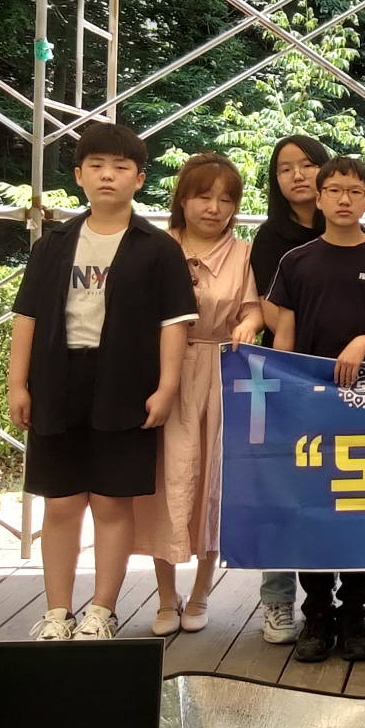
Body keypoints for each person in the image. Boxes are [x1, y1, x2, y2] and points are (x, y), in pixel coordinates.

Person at [9, 123, 197, 641]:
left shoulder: (158, 248)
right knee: (61, 502)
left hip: (125, 383)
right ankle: (57, 613)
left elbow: (174, 325)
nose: (107, 176)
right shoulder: (53, 244)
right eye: (96, 166)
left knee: (113, 502)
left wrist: (166, 387)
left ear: (139, 179)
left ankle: (102, 610)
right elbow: (26, 317)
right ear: (78, 175)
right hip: (56, 380)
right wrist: (18, 383)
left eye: (120, 167)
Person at [269, 156, 365, 664]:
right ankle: (316, 614)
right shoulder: (296, 261)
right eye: (334, 190)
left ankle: (354, 613)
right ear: (319, 197)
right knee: (310, 510)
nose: (344, 199)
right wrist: (284, 392)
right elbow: (284, 335)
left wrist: (363, 341)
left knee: (360, 509)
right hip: (309, 405)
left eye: (355, 191)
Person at [134, 153, 264, 637]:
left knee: (213, 481)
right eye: (204, 196)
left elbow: (254, 309)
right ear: (182, 199)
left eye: (226, 199)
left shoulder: (245, 253)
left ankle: (201, 592)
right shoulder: (156, 247)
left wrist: (249, 324)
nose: (214, 208)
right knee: (162, 480)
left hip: (219, 373)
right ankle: (165, 596)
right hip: (159, 373)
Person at [249, 133, 329, 647]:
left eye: (306, 164)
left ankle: (337, 604)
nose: (297, 175)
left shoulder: (350, 227)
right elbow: (270, 308)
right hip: (283, 372)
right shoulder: (269, 238)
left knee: (336, 487)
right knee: (280, 486)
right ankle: (277, 599)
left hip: (340, 376)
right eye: (284, 168)